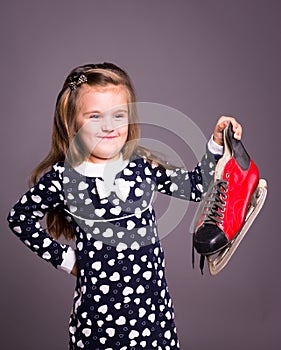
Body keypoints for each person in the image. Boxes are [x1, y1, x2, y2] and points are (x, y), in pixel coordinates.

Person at [7, 62, 242, 350]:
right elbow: (20, 219)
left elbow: (195, 187)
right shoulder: (62, 178)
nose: (109, 126)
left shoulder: (142, 165)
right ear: (72, 122)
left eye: (119, 115)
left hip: (154, 318)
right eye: (95, 116)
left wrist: (216, 145)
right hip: (97, 324)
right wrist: (68, 261)